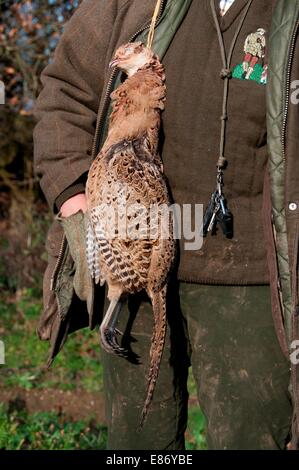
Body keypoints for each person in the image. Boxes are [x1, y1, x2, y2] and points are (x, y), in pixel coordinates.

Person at [33, 0, 299, 450]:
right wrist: (75, 198)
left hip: (252, 280)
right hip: (130, 272)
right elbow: (64, 92)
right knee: (139, 446)